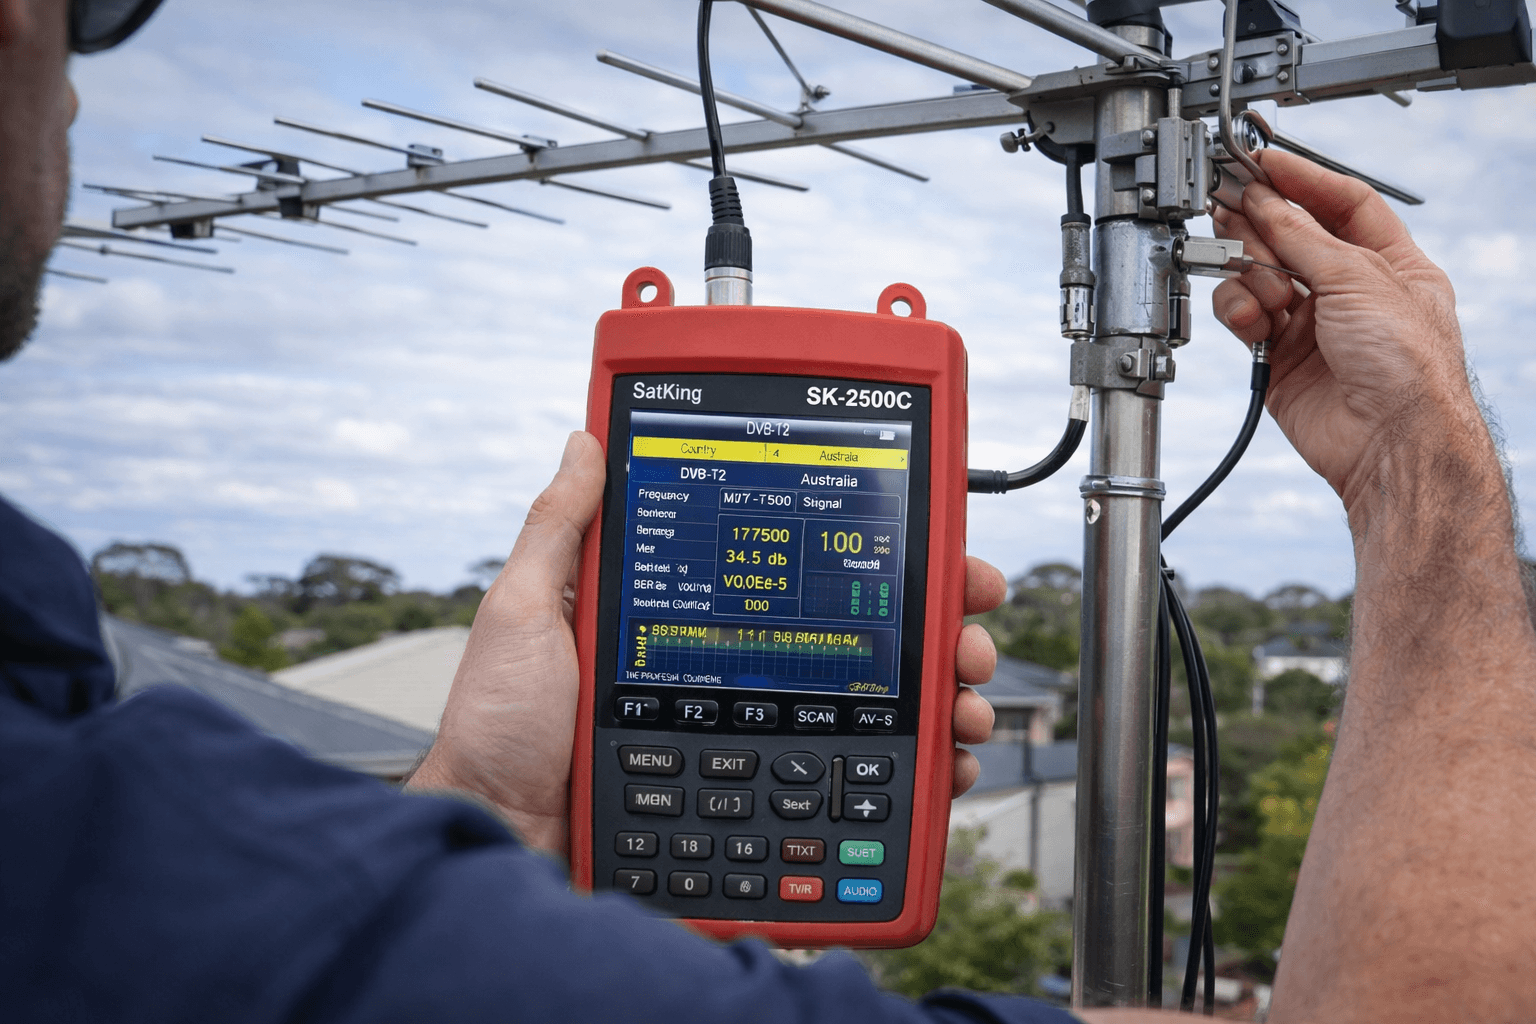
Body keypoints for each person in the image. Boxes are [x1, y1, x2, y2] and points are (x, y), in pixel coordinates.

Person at [5, 5, 1535, 1024]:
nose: (77, 63)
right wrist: (1421, 475)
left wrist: (484, 798)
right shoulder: (86, 839)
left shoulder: (75, 774)